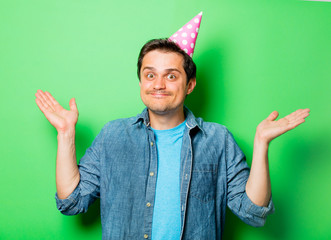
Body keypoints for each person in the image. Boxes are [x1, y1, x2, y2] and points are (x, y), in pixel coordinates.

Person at [35, 13, 310, 240]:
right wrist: (65, 135)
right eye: (150, 74)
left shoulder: (218, 140)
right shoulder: (113, 135)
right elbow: (72, 202)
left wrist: (262, 143)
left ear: (189, 85)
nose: (158, 84)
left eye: (172, 75)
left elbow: (253, 211)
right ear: (141, 82)